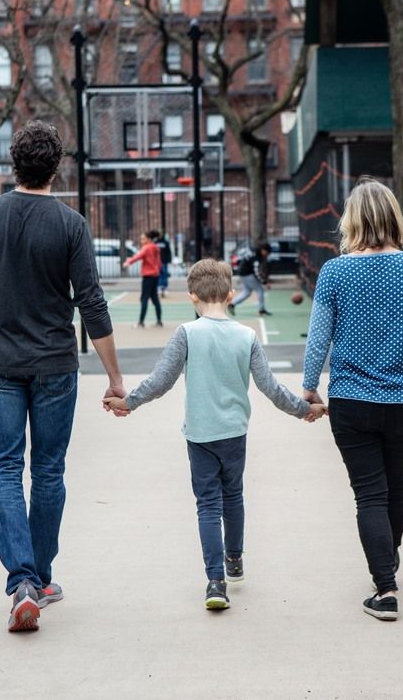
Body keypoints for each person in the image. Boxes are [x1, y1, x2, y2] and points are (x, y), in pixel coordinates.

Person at [0, 120, 126, 633]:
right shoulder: (71, 225)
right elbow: (92, 304)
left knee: (4, 470)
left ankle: (21, 580)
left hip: (0, 365)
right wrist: (114, 377)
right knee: (48, 471)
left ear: (13, 163)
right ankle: (40, 580)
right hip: (55, 366)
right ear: (56, 167)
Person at [104, 258, 326, 610]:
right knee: (233, 495)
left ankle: (214, 582)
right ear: (231, 294)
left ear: (192, 297)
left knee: (207, 504)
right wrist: (303, 410)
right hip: (234, 431)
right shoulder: (246, 336)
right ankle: (234, 559)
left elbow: (160, 381)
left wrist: (128, 402)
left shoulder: (187, 334)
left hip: (200, 433)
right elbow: (270, 388)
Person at [302, 177, 403, 622]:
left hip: (351, 401)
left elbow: (319, 336)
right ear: (395, 218)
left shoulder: (335, 272)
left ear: (351, 222)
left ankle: (385, 587)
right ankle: (386, 561)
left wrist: (308, 386)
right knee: (395, 489)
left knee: (368, 495)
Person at [124, 232, 162, 328]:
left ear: (149, 239)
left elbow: (138, 256)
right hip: (155, 276)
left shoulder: (147, 247)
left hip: (148, 276)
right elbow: (159, 263)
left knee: (144, 298)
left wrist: (128, 262)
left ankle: (141, 322)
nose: (142, 241)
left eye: (143, 239)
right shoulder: (155, 247)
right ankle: (159, 321)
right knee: (155, 299)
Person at [228, 242, 272, 316]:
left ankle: (232, 304)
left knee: (247, 292)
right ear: (263, 250)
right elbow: (256, 272)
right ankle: (261, 309)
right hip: (247, 274)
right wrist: (264, 282)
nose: (267, 254)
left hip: (242, 272)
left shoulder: (255, 252)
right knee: (260, 289)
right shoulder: (256, 257)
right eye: (267, 252)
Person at [152, 229, 172, 298]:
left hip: (164, 261)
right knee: (158, 275)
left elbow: (168, 252)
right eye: (159, 234)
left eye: (161, 234)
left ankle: (164, 288)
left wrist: (169, 260)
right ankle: (159, 288)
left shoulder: (166, 242)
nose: (160, 235)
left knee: (164, 274)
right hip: (157, 262)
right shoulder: (155, 242)